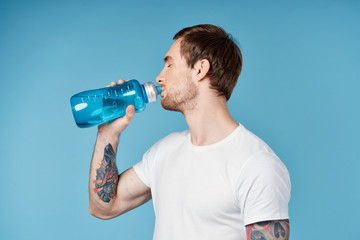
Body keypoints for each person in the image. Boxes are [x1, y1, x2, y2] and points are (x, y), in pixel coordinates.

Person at [88, 24, 291, 240]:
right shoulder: (164, 151)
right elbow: (103, 208)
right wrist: (108, 134)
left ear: (200, 69)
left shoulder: (256, 164)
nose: (159, 77)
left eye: (169, 65)